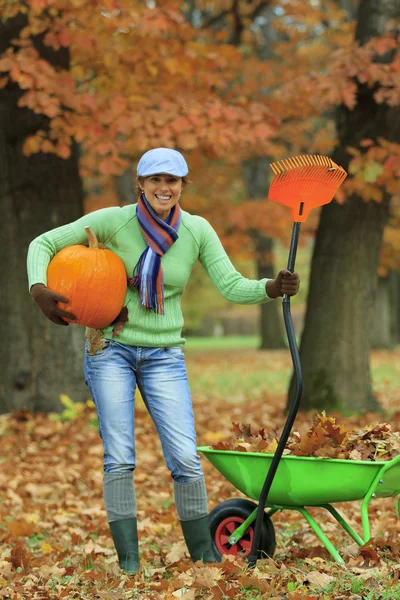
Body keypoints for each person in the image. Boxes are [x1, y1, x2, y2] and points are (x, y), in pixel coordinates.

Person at [27, 147, 300, 574]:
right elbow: (42, 243)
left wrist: (271, 286)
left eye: (171, 180)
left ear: (182, 186)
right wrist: (39, 289)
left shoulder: (196, 230)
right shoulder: (112, 221)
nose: (163, 187)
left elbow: (229, 285)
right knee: (119, 457)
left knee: (185, 459)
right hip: (110, 348)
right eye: (154, 179)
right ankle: (130, 564)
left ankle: (206, 558)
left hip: (164, 355)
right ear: (140, 184)